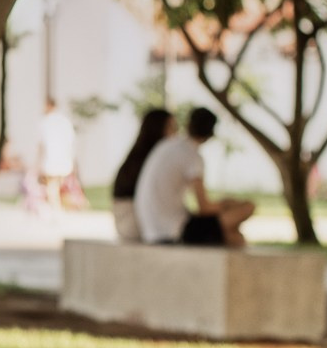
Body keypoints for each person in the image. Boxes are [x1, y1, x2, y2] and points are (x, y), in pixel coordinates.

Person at [133, 105, 256, 246]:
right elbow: (204, 207)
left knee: (231, 234)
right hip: (173, 231)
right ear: (210, 134)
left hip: (152, 229)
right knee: (245, 215)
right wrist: (227, 204)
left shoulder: (167, 144)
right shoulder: (193, 156)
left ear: (188, 124)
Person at [110, 107, 175, 239]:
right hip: (134, 220)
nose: (176, 133)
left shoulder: (141, 155)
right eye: (172, 127)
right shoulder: (152, 158)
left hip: (131, 220)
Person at [36, 98, 77, 210]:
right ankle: (57, 208)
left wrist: (38, 163)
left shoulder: (45, 122)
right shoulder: (65, 121)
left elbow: (41, 145)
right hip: (64, 160)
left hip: (51, 160)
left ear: (49, 106)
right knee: (56, 185)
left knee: (52, 186)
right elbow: (71, 142)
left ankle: (56, 209)